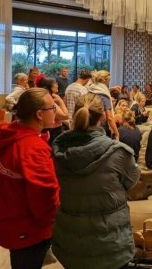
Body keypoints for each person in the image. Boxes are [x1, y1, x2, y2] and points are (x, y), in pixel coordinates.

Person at [51, 93, 140, 269]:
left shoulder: (58, 151)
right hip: (111, 242)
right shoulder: (119, 153)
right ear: (102, 118)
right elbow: (131, 182)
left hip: (71, 239)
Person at [0, 88, 60, 269]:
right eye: (52, 107)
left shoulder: (11, 134)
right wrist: (52, 223)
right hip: (28, 227)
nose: (56, 111)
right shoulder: (32, 148)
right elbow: (45, 194)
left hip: (10, 217)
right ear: (39, 114)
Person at [87, 70, 120, 140]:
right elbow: (110, 118)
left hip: (88, 123)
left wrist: (112, 88)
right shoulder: (104, 95)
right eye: (109, 80)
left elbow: (100, 91)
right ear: (105, 80)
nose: (109, 82)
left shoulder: (91, 89)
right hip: (100, 127)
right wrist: (117, 133)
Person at [39, 77, 69, 141]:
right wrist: (60, 101)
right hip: (52, 131)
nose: (57, 85)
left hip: (51, 130)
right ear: (50, 87)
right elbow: (65, 116)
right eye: (55, 83)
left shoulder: (50, 97)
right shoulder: (50, 100)